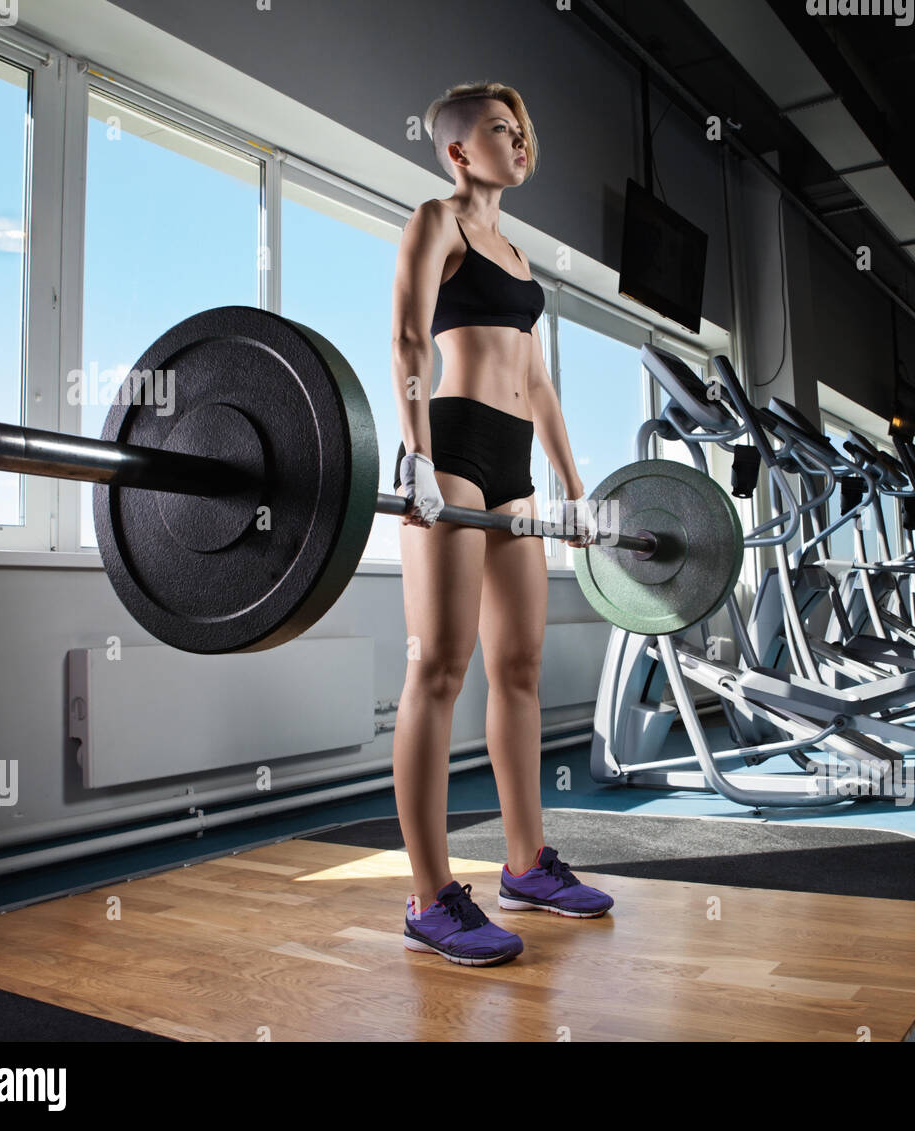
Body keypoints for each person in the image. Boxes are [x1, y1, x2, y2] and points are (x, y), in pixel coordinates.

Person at [389, 81, 614, 966]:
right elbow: (409, 340)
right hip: (449, 450)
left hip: (516, 465)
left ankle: (527, 865)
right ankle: (430, 895)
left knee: (519, 665)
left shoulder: (518, 257)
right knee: (438, 668)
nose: (518, 139)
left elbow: (542, 381)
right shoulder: (435, 219)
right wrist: (413, 457)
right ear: (457, 152)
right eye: (498, 130)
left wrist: (573, 483)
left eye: (522, 128)